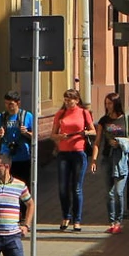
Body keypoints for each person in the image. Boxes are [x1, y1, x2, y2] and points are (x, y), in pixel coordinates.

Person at [91, 93, 129, 234]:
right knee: (109, 193)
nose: (107, 106)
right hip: (107, 158)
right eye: (106, 103)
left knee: (118, 191)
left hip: (121, 159)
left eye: (110, 103)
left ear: (116, 104)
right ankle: (111, 222)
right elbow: (97, 142)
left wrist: (122, 142)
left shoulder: (126, 119)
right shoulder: (103, 121)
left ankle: (118, 221)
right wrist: (94, 159)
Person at [51, 88, 94, 232]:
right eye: (66, 100)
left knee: (76, 188)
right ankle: (66, 216)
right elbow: (53, 134)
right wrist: (59, 137)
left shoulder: (83, 112)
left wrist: (85, 132)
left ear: (77, 100)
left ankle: (77, 220)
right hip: (63, 153)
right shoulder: (61, 113)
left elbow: (93, 130)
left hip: (79, 153)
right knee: (63, 188)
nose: (68, 102)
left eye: (70, 100)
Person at [0, 93, 35, 187]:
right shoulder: (1, 117)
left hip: (23, 155)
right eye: (6, 103)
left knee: (23, 184)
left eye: (11, 104)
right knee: (5, 183)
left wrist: (26, 132)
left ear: (18, 103)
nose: (8, 106)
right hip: (5, 155)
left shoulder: (27, 116)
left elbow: (35, 136)